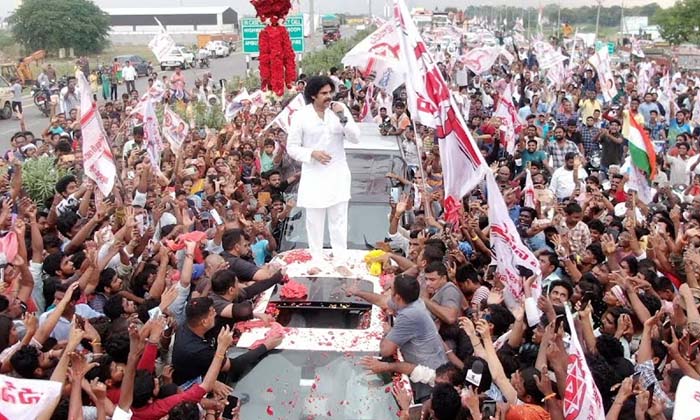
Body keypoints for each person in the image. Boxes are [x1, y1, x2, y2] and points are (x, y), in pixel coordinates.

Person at [287, 75, 360, 256]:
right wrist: (312, 153)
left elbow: (355, 137)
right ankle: (317, 258)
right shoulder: (301, 116)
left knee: (339, 220)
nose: (329, 96)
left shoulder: (339, 110)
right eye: (324, 93)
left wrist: (342, 117)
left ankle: (340, 258)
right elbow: (292, 147)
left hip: (337, 174)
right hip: (314, 176)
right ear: (313, 95)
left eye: (330, 92)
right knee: (314, 222)